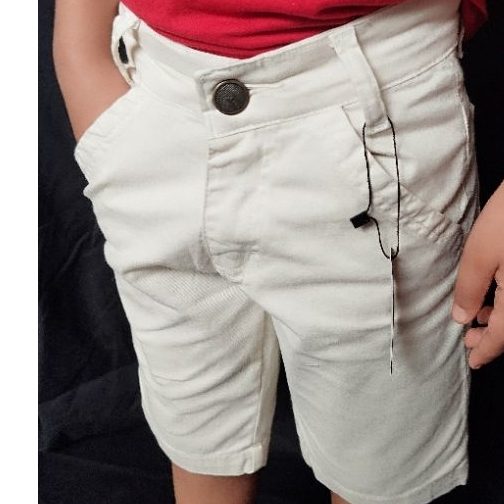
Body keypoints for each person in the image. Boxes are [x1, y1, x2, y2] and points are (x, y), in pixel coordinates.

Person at [52, 1, 503, 503]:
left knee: (377, 471)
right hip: (156, 99)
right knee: (196, 428)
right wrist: (81, 51)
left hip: (374, 115)